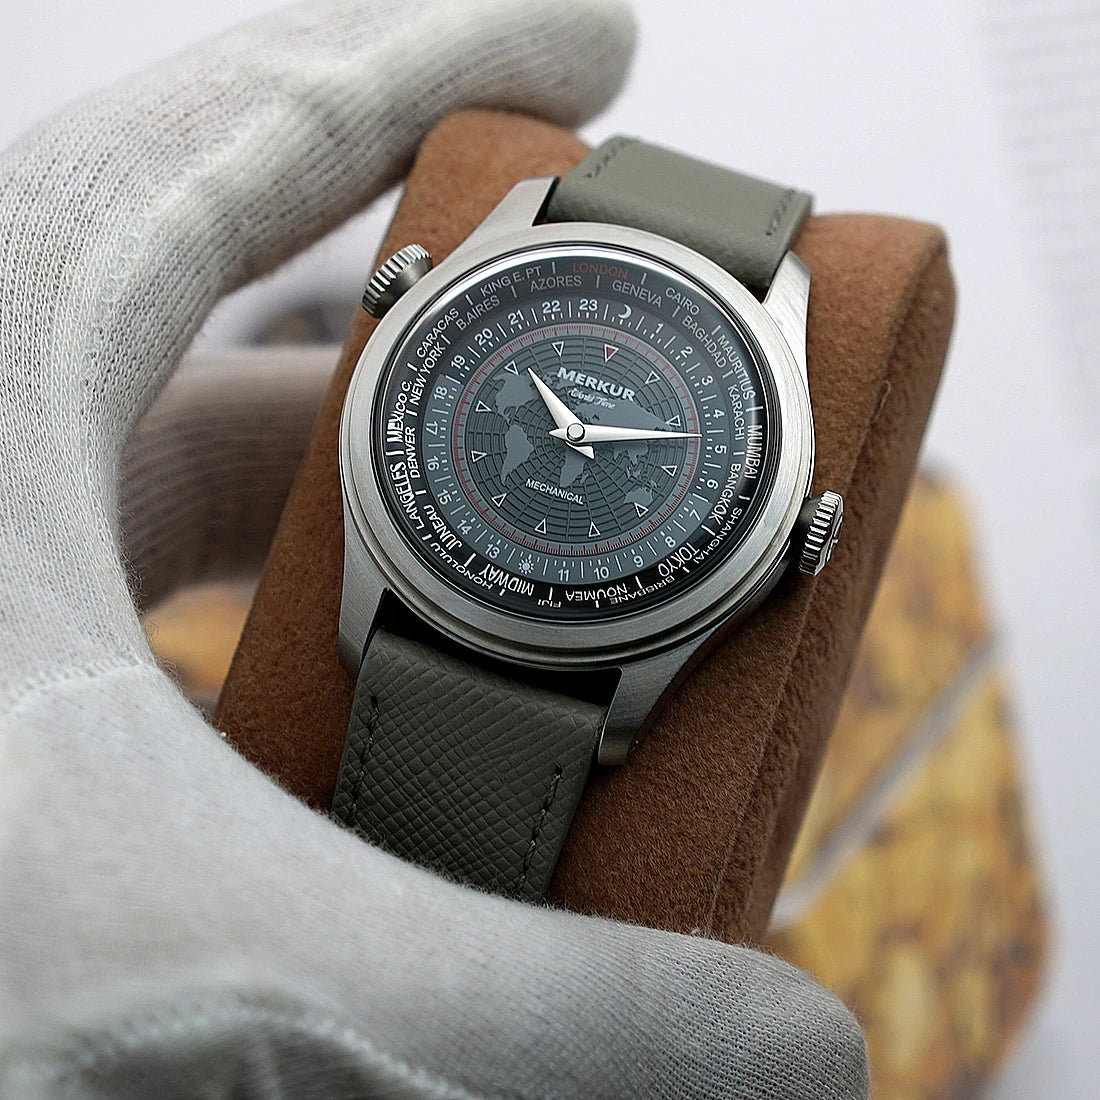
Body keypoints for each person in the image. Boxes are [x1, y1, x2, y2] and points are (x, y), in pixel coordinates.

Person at [0, 2, 868, 1095]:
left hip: (602, 668)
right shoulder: (511, 252)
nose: (574, 436)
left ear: (799, 531)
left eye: (596, 436)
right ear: (398, 299)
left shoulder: (773, 322)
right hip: (404, 585)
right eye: (563, 420)